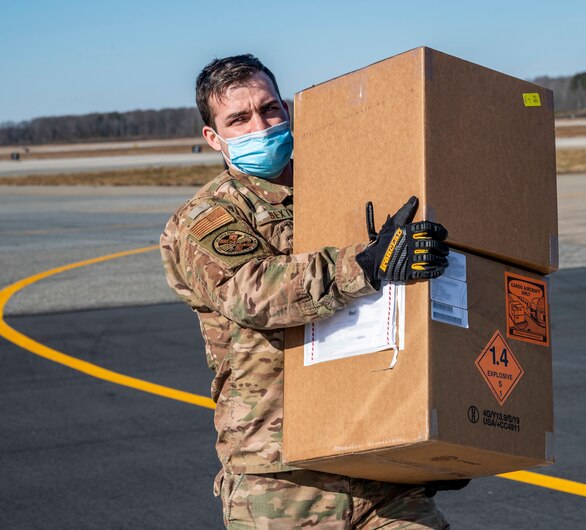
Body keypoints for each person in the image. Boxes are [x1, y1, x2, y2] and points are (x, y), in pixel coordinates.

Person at [160, 54, 454, 529]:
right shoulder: (207, 218)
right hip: (282, 478)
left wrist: (437, 436)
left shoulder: (342, 185)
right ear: (213, 138)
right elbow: (252, 292)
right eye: (239, 118)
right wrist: (366, 264)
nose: (261, 125)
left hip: (376, 454)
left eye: (270, 109)